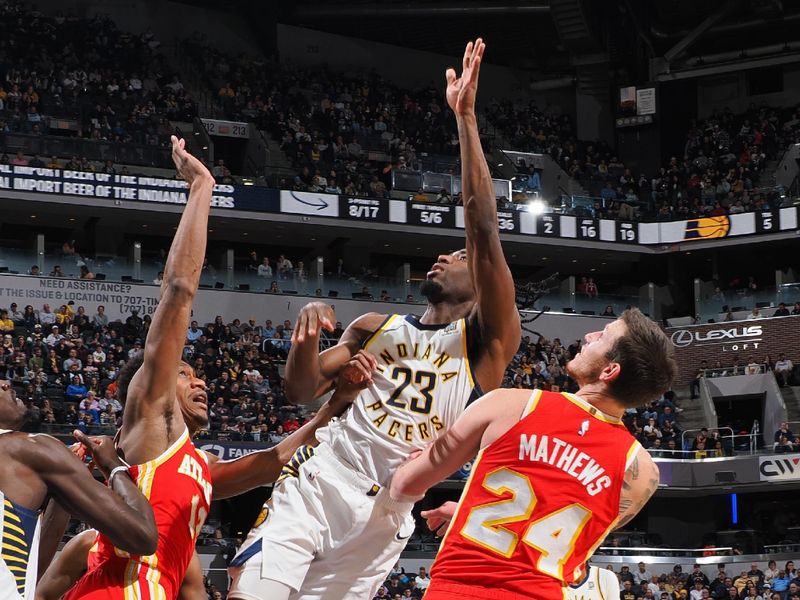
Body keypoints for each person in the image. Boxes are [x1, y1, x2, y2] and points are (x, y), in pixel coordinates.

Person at [228, 39, 521, 600]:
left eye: (455, 258)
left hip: (386, 514)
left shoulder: (486, 343)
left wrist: (465, 120)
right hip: (320, 481)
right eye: (443, 254)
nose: (443, 257)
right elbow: (300, 390)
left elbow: (482, 227)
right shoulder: (374, 326)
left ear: (480, 281)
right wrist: (304, 338)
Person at [54, 137, 366, 600]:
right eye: (183, 372)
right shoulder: (150, 417)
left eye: (195, 373)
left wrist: (336, 403)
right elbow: (179, 289)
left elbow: (275, 461)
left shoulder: (201, 466)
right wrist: (202, 187)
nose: (199, 379)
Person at [390, 308, 676, 599]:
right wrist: (471, 514)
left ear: (609, 371)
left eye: (602, 336)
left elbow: (405, 484)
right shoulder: (641, 471)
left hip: (462, 590)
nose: (588, 336)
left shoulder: (511, 404)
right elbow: (562, 531)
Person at [0, 379, 158, 600]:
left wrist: (64, 491)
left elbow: (28, 572)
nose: (6, 383)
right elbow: (143, 536)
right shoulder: (26, 448)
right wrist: (114, 467)